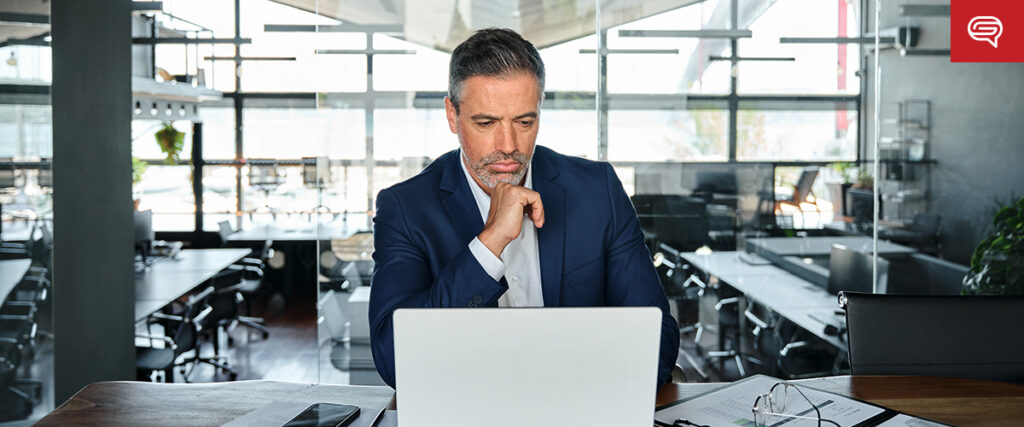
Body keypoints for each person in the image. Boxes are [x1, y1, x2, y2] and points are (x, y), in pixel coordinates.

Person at [368, 28, 679, 388]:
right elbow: (395, 360)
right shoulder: (405, 208)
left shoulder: (598, 190)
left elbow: (658, 339)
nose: (508, 145)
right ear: (452, 116)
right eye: (486, 123)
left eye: (524, 121)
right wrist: (488, 245)